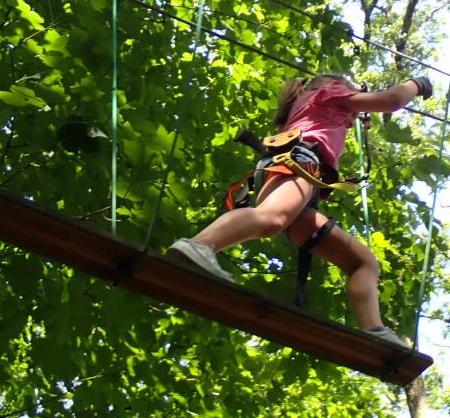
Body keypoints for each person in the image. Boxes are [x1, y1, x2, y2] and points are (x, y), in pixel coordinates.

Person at [166, 73, 433, 349]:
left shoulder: (307, 107)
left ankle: (374, 330)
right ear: (334, 87)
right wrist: (418, 84)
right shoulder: (329, 94)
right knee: (272, 218)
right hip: (300, 163)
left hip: (298, 174)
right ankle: (199, 245)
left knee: (364, 262)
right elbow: (391, 100)